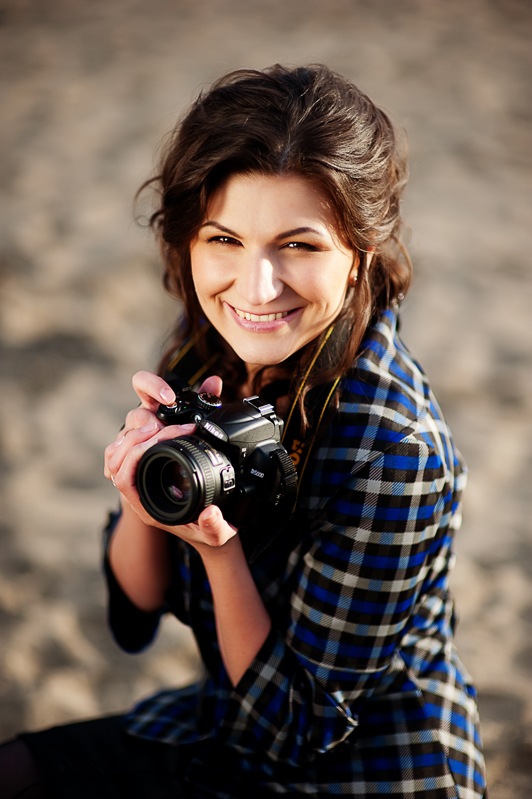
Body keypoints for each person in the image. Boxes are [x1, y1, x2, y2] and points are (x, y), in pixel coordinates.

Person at [0, 64, 487, 798]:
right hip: (223, 722)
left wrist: (218, 554)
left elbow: (297, 728)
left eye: (300, 245)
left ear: (360, 254)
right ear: (187, 241)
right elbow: (133, 617)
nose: (256, 289)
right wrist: (140, 496)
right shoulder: (207, 347)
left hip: (371, 766)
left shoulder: (396, 450)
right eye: (224, 238)